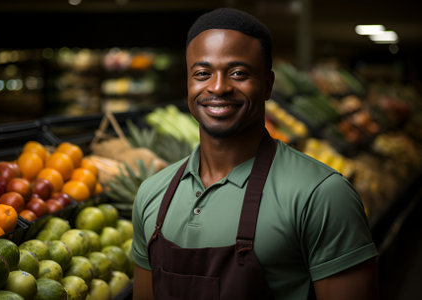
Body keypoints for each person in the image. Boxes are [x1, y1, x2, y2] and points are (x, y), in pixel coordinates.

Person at [131, 7, 379, 300]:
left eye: (238, 73)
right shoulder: (152, 194)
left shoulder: (322, 195)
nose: (218, 87)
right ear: (188, 84)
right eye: (202, 73)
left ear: (268, 85)